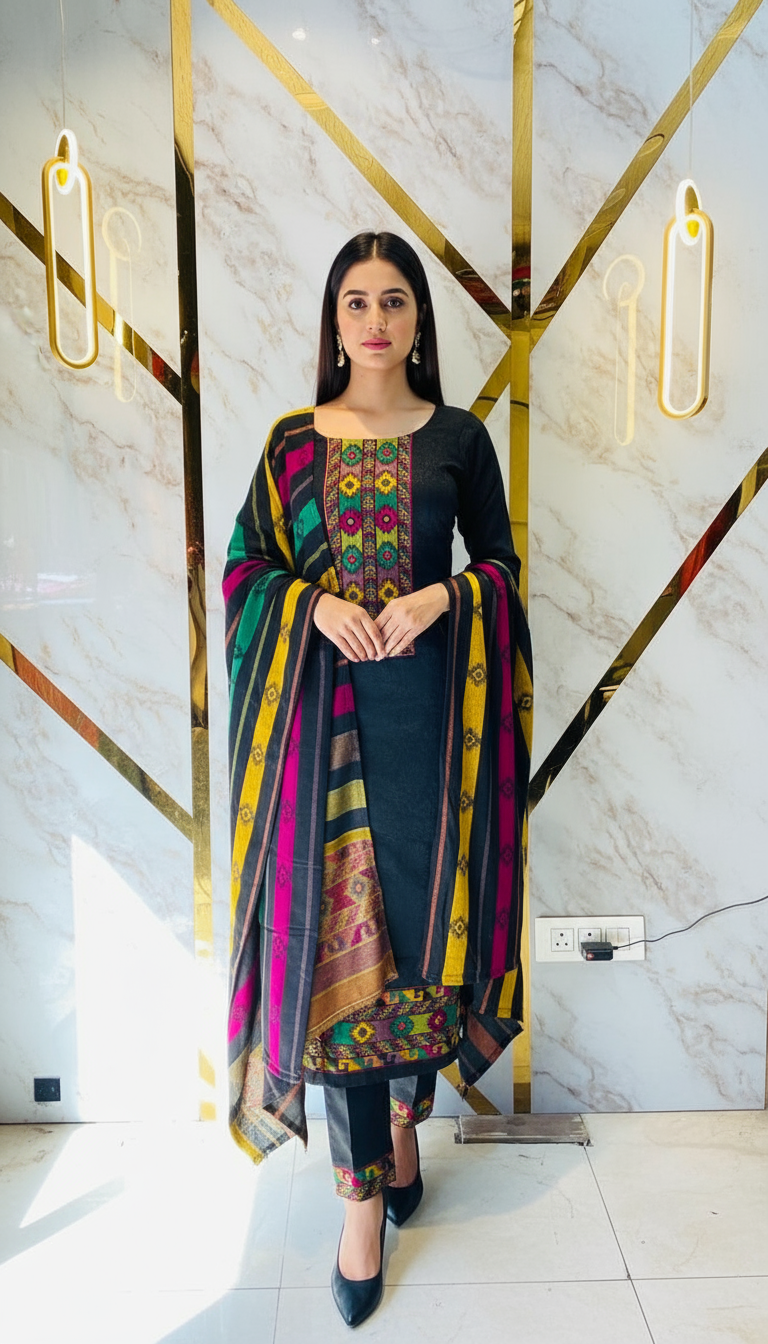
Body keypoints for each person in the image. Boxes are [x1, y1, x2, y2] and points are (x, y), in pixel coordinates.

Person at [224, 231, 532, 1328]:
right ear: (334, 320)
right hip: (321, 741)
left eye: (393, 300)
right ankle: (361, 1208)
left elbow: (502, 570)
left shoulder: (459, 438)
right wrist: (311, 605)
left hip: (437, 740)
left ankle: (404, 1129)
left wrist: (445, 596)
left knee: (421, 951)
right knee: (340, 974)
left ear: (418, 320)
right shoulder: (291, 444)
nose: (374, 320)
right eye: (355, 301)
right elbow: (244, 570)